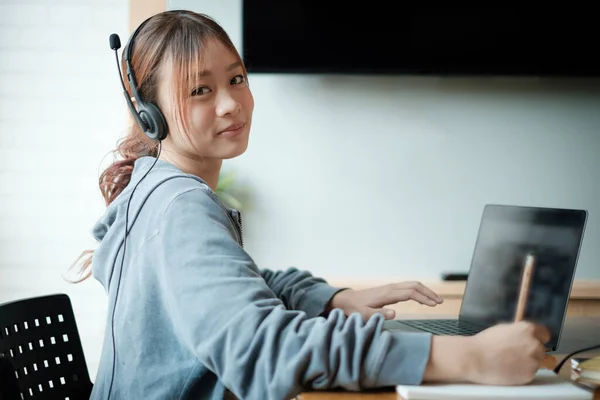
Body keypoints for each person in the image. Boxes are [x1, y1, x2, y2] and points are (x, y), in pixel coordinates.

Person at [71, 9, 551, 400]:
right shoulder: (180, 211)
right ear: (149, 114)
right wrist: (468, 359)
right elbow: (263, 350)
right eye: (200, 90)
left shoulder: (155, 191)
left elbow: (245, 283)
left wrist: (334, 299)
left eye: (236, 78)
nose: (230, 104)